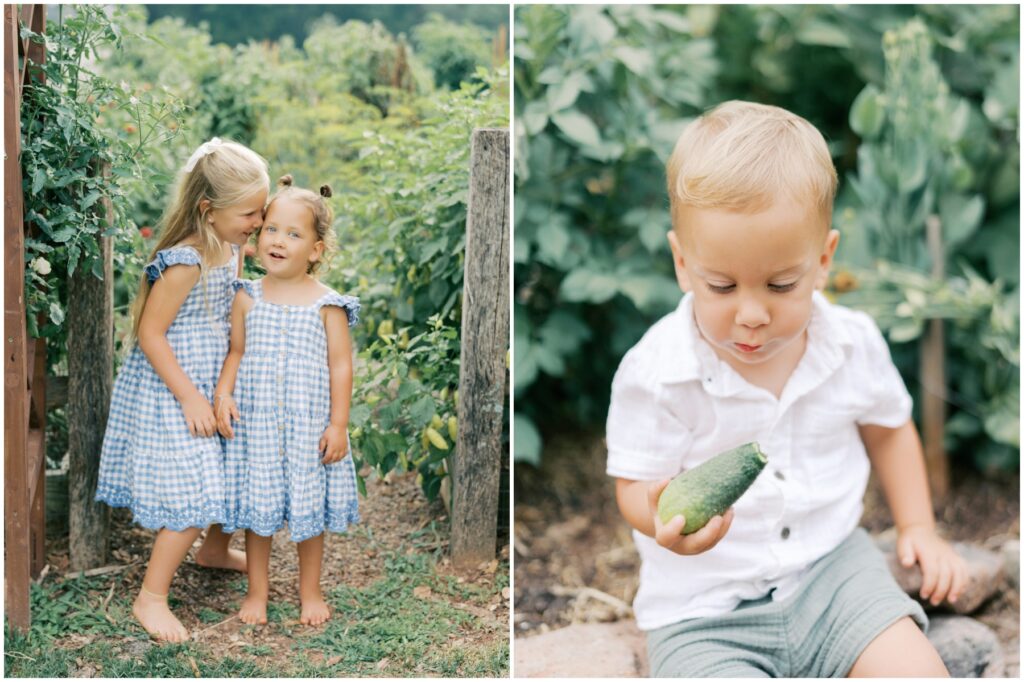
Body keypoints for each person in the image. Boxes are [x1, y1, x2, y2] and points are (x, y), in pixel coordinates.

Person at [606, 101, 968, 677]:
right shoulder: (656, 370)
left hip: (834, 576)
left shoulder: (851, 344)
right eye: (721, 286)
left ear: (823, 260)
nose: (752, 314)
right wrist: (659, 520)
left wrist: (918, 527)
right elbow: (633, 485)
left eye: (781, 284)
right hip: (704, 612)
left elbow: (890, 430)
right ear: (682, 263)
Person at [96, 138, 270, 642]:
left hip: (212, 377)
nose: (256, 223)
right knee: (195, 491)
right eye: (249, 213)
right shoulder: (185, 261)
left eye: (260, 212)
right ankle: (150, 598)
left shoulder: (230, 247)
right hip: (172, 386)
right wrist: (192, 397)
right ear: (207, 210)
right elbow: (150, 335)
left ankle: (214, 549)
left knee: (236, 460)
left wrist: (225, 385)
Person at [215, 175, 360, 627]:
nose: (279, 240)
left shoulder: (328, 305)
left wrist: (338, 425)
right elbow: (235, 352)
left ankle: (309, 591)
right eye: (271, 229)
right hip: (256, 426)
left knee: (307, 513)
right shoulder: (247, 296)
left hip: (307, 429)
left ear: (316, 250)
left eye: (294, 234)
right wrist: (222, 392)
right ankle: (257, 592)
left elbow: (341, 366)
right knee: (258, 517)